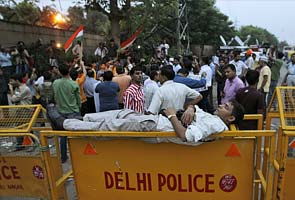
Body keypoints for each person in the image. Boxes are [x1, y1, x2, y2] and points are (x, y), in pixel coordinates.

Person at [47, 100, 244, 143]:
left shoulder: (217, 125)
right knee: (123, 113)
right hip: (154, 121)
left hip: (157, 126)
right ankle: (82, 118)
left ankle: (65, 124)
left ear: (231, 118)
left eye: (226, 107)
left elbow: (186, 136)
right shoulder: (213, 118)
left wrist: (171, 114)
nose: (221, 106)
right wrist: (191, 108)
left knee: (111, 126)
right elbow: (196, 111)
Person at [52, 63, 81, 163]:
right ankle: (79, 156)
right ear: (69, 71)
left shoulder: (55, 83)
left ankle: (63, 157)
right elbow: (78, 99)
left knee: (63, 136)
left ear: (59, 71)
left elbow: (55, 96)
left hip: (61, 112)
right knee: (76, 135)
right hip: (73, 111)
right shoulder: (73, 84)